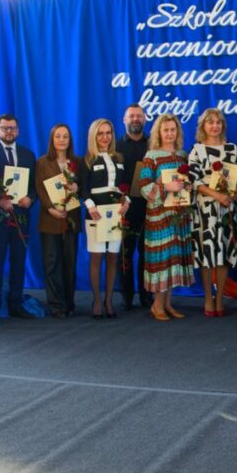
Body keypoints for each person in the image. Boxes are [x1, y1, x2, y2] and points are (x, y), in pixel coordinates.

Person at [0, 113, 36, 319]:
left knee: (19, 262)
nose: (9, 131)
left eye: (12, 128)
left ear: (18, 131)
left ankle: (15, 303)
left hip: (21, 216)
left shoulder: (28, 155)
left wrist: (31, 199)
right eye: (4, 128)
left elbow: (34, 186)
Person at [139, 114, 194, 321]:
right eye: (166, 130)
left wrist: (187, 186)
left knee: (173, 259)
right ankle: (157, 304)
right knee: (162, 259)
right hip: (159, 216)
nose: (170, 134)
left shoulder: (182, 155)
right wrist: (165, 186)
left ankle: (168, 303)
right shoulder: (151, 156)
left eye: (173, 130)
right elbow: (144, 187)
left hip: (178, 215)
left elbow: (186, 181)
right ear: (158, 133)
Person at [189, 108, 237, 317]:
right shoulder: (197, 150)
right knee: (208, 254)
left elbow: (235, 178)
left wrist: (235, 192)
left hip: (227, 209)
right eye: (210, 122)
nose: (215, 126)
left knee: (224, 254)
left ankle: (220, 298)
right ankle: (208, 298)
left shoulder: (232, 149)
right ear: (203, 126)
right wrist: (216, 195)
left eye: (218, 122)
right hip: (205, 210)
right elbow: (194, 181)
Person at [34, 124, 85, 319]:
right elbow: (39, 189)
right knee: (52, 262)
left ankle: (69, 303)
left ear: (70, 140)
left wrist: (77, 187)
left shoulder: (77, 162)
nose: (62, 140)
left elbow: (84, 187)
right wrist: (51, 209)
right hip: (50, 219)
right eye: (58, 136)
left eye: (65, 136)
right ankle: (56, 305)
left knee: (70, 263)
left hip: (71, 219)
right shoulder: (43, 162)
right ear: (52, 139)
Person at [83, 118, 131, 320]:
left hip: (115, 214)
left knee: (113, 257)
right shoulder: (88, 159)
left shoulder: (119, 158)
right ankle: (96, 300)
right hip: (96, 214)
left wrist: (126, 200)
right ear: (94, 136)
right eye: (100, 133)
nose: (105, 137)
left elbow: (125, 185)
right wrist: (90, 205)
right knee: (97, 257)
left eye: (108, 133)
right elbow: (83, 188)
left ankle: (109, 300)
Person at [115, 104, 151, 311]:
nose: (135, 119)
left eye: (139, 116)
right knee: (124, 254)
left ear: (144, 119)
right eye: (131, 116)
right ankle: (126, 296)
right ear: (124, 120)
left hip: (149, 206)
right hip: (124, 208)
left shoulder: (153, 145)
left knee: (147, 254)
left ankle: (147, 295)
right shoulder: (116, 146)